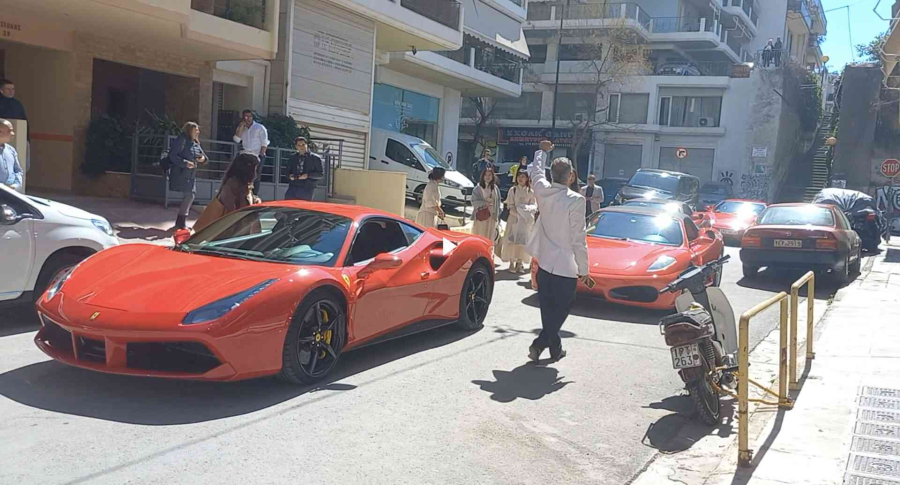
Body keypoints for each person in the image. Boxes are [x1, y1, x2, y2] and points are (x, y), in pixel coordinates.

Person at [527, 140, 590, 363]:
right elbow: (578, 238)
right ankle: (540, 345)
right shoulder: (576, 200)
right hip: (566, 266)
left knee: (547, 309)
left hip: (545, 261)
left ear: (552, 174)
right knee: (560, 310)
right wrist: (584, 269)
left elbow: (536, 172)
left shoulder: (542, 190)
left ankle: (554, 350)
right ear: (570, 176)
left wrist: (542, 152)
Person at [193, 153, 262, 232]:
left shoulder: (246, 184)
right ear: (246, 169)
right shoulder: (231, 185)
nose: (255, 174)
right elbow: (230, 213)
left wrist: (255, 200)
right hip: (229, 233)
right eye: (254, 169)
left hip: (240, 231)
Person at [169, 122, 207, 229]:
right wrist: (185, 163)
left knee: (190, 196)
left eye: (198, 130)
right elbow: (172, 155)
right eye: (196, 130)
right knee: (190, 195)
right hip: (181, 174)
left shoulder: (195, 142)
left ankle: (180, 222)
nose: (198, 132)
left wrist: (202, 159)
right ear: (189, 131)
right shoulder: (181, 140)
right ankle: (181, 222)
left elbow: (204, 157)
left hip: (191, 175)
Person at [501, 170, 537, 274]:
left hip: (525, 221)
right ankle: (511, 263)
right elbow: (510, 205)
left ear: (527, 179)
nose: (520, 179)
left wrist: (524, 209)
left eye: (523, 177)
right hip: (514, 219)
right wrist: (518, 212)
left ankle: (519, 263)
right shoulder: (513, 190)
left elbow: (534, 206)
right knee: (511, 241)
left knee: (523, 242)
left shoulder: (531, 192)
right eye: (519, 176)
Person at [233, 109, 269, 195]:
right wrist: (241, 127)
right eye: (246, 116)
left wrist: (261, 155)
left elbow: (264, 142)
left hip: (256, 154)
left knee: (255, 176)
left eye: (250, 116)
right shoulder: (242, 128)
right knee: (243, 174)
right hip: (245, 154)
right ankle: (243, 193)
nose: (248, 118)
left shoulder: (259, 127)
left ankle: (254, 194)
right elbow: (237, 140)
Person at [0, 80, 29, 174]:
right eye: (8, 89)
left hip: (20, 139)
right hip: (3, 142)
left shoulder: (17, 104)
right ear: (1, 90)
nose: (11, 91)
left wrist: (27, 139)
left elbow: (24, 120)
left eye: (13, 89)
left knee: (22, 165)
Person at [285, 136, 324, 201]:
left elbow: (320, 174)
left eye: (303, 145)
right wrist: (290, 176)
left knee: (303, 206)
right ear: (296, 147)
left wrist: (307, 175)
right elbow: (286, 172)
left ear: (307, 145)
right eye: (299, 145)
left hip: (307, 188)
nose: (301, 147)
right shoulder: (292, 158)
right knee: (288, 205)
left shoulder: (315, 158)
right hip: (293, 187)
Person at [472, 167, 502, 245]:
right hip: (481, 216)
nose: (487, 177)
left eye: (489, 175)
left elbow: (498, 202)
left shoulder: (495, 188)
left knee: (490, 238)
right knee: (480, 237)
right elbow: (474, 202)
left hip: (492, 217)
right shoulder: (478, 188)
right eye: (485, 175)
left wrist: (498, 216)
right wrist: (485, 203)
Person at [0, 119, 23, 192]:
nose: (13, 133)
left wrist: (15, 185)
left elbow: (18, 171)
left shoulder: (11, 150)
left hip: (11, 193)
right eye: (9, 131)